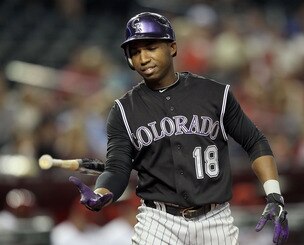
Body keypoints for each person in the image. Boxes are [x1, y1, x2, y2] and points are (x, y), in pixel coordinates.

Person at [69, 12, 289, 245]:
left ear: (172, 47)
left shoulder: (215, 94)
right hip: (159, 220)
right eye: (135, 52)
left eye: (151, 47)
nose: (143, 58)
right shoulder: (124, 110)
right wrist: (103, 192)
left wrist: (274, 194)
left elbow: (254, 141)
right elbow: (117, 168)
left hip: (215, 219)